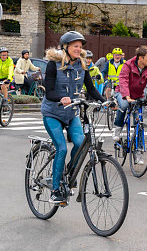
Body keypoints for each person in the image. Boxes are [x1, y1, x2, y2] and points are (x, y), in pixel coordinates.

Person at [41, 31, 106, 204]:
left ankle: (69, 171)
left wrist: (105, 101)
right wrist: (60, 98)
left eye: (80, 46)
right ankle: (55, 190)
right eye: (75, 46)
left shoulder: (82, 65)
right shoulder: (53, 64)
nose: (79, 49)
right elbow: (49, 90)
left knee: (80, 143)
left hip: (71, 114)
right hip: (52, 113)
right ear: (66, 47)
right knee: (61, 148)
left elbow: (91, 89)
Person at [112, 46, 147, 164]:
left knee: (139, 123)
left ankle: (138, 152)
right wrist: (127, 96)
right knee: (123, 105)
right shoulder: (128, 65)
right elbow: (123, 80)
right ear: (140, 58)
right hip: (123, 92)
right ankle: (117, 128)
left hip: (138, 95)